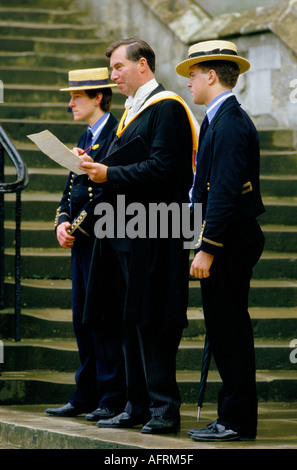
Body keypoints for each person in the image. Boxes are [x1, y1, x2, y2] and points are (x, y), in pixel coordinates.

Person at [77, 38, 199, 434]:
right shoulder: (131, 110)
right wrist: (94, 164)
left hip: (157, 228)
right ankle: (136, 404)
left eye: (117, 67)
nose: (112, 76)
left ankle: (164, 408)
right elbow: (123, 162)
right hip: (124, 226)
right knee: (126, 318)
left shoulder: (168, 108)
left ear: (142, 65)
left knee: (153, 318)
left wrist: (108, 173)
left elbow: (165, 168)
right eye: (111, 69)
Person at [175, 40, 265, 441]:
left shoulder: (229, 122)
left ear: (211, 75)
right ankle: (231, 417)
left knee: (229, 332)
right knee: (225, 329)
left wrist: (207, 248)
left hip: (227, 241)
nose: (189, 84)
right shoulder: (218, 118)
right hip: (224, 237)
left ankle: (236, 421)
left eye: (193, 76)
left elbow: (226, 191)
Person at [45, 67, 126, 420]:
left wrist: (79, 224)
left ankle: (111, 397)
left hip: (103, 241)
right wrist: (62, 221)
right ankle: (85, 394)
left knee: (104, 319)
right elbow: (70, 190)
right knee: (82, 319)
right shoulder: (88, 133)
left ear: (97, 97)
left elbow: (111, 190)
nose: (70, 103)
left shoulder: (116, 134)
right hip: (80, 242)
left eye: (76, 96)